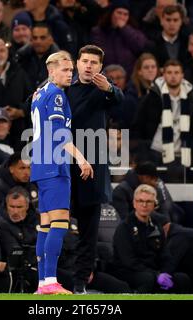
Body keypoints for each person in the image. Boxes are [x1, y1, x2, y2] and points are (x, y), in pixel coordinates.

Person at [30, 50, 94, 294]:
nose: (70, 74)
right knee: (59, 222)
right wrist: (81, 159)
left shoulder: (40, 94)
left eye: (71, 70)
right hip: (55, 164)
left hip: (40, 164)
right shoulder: (56, 95)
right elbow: (59, 134)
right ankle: (50, 281)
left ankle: (43, 283)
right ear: (51, 71)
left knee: (45, 226)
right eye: (65, 70)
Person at [64, 45, 123, 293]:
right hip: (63, 165)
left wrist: (108, 88)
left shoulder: (103, 91)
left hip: (93, 169)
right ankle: (46, 279)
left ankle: (79, 285)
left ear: (100, 67)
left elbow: (120, 99)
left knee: (88, 233)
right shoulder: (63, 88)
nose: (89, 66)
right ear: (77, 63)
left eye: (94, 63)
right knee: (54, 226)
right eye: (85, 61)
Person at [132, 59, 193, 183]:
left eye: (176, 72)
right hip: (155, 153)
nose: (173, 76)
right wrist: (140, 157)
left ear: (182, 75)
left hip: (183, 155)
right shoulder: (152, 97)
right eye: (169, 72)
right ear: (163, 75)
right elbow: (138, 128)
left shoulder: (192, 98)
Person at [112, 184, 191, 293]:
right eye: (140, 201)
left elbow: (165, 255)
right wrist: (156, 275)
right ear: (134, 203)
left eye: (149, 201)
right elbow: (128, 261)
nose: (144, 205)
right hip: (128, 271)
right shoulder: (124, 227)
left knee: (182, 279)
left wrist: (165, 273)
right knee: (147, 279)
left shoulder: (157, 225)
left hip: (153, 271)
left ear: (154, 205)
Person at [0, 187, 39, 293]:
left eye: (19, 207)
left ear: (27, 206)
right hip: (9, 267)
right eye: (11, 207)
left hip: (36, 263)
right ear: (6, 205)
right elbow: (11, 249)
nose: (15, 211)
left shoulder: (38, 218)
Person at [112, 160, 184, 223]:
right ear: (144, 177)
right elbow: (125, 220)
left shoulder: (156, 186)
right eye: (154, 180)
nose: (156, 183)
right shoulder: (121, 191)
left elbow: (165, 211)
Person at [91, 0, 148, 77]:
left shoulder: (134, 31)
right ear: (111, 13)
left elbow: (140, 47)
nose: (122, 17)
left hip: (127, 78)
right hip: (105, 76)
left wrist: (124, 29)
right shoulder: (98, 32)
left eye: (125, 14)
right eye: (119, 13)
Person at [15, 23, 59, 90]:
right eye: (35, 38)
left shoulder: (59, 61)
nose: (38, 41)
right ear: (31, 40)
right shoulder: (21, 58)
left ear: (51, 40)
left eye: (42, 38)